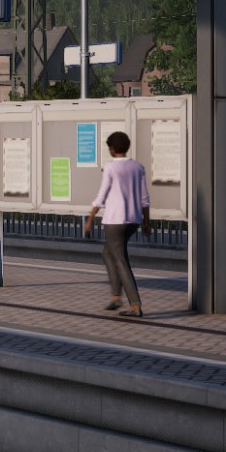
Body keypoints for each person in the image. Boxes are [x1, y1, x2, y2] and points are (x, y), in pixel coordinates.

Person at [84, 131, 150, 317]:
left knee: (120, 259)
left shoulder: (111, 168)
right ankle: (115, 297)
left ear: (112, 149)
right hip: (133, 220)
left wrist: (90, 218)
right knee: (108, 252)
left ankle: (135, 304)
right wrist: (147, 222)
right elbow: (145, 198)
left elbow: (102, 195)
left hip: (115, 220)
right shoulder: (138, 167)